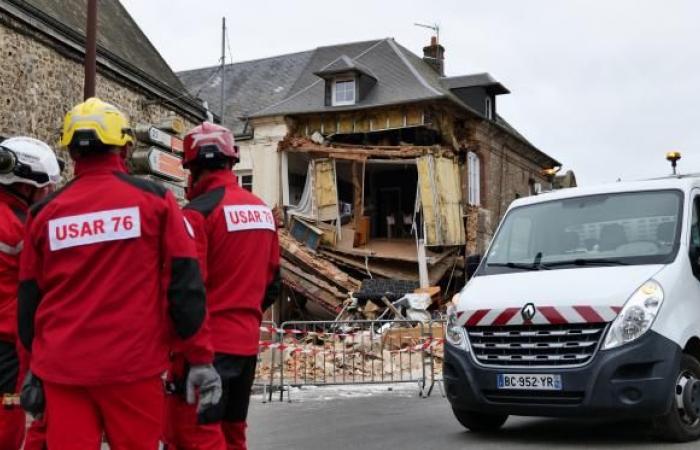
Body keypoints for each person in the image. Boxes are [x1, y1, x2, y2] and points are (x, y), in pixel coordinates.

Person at [17, 98, 222, 450]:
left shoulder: (44, 214)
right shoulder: (156, 201)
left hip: (63, 370)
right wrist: (199, 357)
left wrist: (30, 370)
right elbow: (184, 286)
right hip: (133, 367)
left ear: (71, 152)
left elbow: (29, 301)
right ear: (124, 146)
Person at [166, 122, 280, 450]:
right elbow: (273, 282)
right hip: (245, 346)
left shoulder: (196, 215)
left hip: (205, 350)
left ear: (191, 167)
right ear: (232, 162)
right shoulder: (261, 210)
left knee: (199, 436)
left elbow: (187, 290)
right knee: (233, 433)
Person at [0, 136, 60, 450]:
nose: (49, 195)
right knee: (8, 414)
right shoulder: (23, 227)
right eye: (46, 188)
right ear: (26, 185)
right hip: (8, 346)